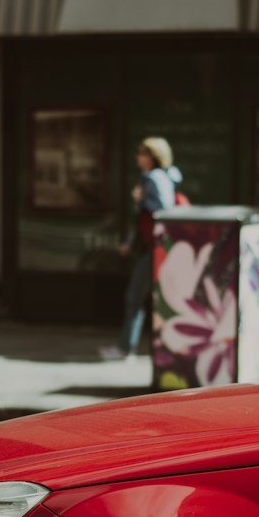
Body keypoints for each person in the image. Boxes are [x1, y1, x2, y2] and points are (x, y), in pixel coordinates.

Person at [100, 136, 183, 361]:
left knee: (135, 297)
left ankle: (126, 349)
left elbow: (161, 211)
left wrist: (142, 199)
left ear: (152, 156)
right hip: (154, 246)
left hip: (154, 247)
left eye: (142, 152)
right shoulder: (162, 176)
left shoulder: (153, 178)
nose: (138, 156)